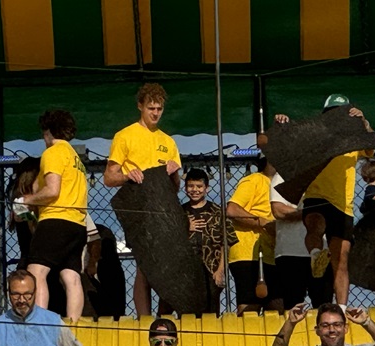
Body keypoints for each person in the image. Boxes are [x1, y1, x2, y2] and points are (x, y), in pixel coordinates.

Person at [274, 94, 373, 305]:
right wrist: (282, 123)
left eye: (342, 112)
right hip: (316, 195)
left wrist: (364, 121)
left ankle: (343, 309)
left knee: (341, 259)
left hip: (343, 204)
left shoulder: (354, 138)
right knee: (315, 225)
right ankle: (316, 255)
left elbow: (371, 146)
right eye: (332, 113)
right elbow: (287, 142)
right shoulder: (314, 135)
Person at [105, 83, 183, 316]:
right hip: (138, 207)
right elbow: (109, 177)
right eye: (151, 108)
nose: (156, 113)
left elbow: (176, 187)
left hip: (164, 208)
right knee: (144, 264)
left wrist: (174, 171)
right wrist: (127, 176)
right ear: (140, 106)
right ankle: (144, 316)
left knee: (166, 262)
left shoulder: (168, 141)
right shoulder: (125, 136)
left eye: (159, 108)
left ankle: (165, 315)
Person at [19, 110, 90, 323]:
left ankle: (37, 323)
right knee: (71, 275)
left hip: (55, 219)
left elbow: (52, 190)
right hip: (78, 224)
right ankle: (74, 323)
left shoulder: (53, 153)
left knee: (36, 271)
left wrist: (26, 200)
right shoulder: (76, 159)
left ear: (49, 131)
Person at [270, 172, 334, 308]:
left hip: (322, 252)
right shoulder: (282, 176)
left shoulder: (324, 176)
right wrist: (311, 214)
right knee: (293, 305)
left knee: (324, 304)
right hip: (291, 252)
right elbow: (278, 210)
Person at [179, 168, 237, 314]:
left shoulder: (217, 211)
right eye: (191, 186)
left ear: (206, 189)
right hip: (186, 270)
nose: (195, 190)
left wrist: (220, 270)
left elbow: (226, 242)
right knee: (187, 310)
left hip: (211, 269)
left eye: (199, 186)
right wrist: (186, 227)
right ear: (185, 188)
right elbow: (171, 241)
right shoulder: (179, 212)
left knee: (211, 310)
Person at [226, 158, 279, 314]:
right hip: (248, 254)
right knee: (250, 305)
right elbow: (232, 210)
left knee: (277, 306)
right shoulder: (254, 180)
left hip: (273, 253)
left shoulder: (285, 186)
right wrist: (262, 222)